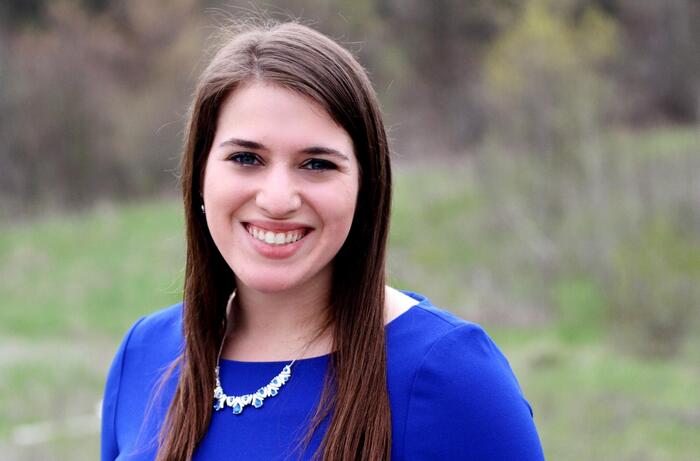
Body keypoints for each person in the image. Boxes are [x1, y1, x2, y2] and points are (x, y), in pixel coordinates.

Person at [100, 21, 545, 461]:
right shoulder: (144, 353)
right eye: (245, 158)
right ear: (199, 174)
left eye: (316, 164)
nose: (276, 200)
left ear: (365, 186)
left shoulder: (451, 376)